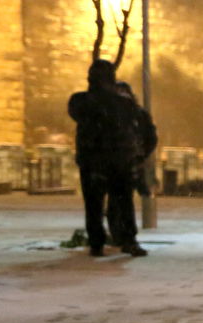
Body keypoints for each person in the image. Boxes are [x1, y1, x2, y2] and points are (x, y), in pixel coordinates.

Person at [66, 59, 147, 257]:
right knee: (123, 203)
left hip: (92, 162)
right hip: (118, 161)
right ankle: (128, 240)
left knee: (93, 205)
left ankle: (97, 243)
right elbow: (134, 119)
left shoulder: (80, 101)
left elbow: (78, 114)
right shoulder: (122, 103)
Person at [107, 81, 157, 247]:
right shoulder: (120, 114)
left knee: (121, 200)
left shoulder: (136, 115)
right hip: (120, 163)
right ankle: (121, 236)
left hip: (127, 163)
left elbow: (150, 137)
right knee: (118, 201)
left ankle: (124, 236)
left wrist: (141, 154)